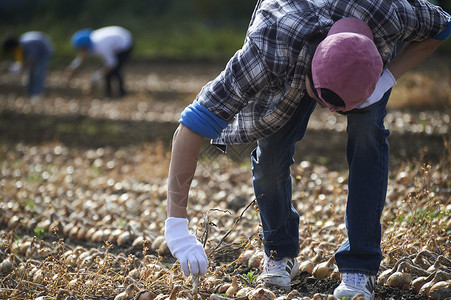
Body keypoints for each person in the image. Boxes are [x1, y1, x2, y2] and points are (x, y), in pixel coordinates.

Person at [163, 1, 451, 299]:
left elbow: (443, 25)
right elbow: (190, 126)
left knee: (368, 134)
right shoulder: (269, 48)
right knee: (271, 157)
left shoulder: (390, 13)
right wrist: (177, 226)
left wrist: (385, 80)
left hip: (367, 55)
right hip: (291, 41)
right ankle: (279, 251)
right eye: (325, 102)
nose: (330, 113)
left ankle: (360, 267)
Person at [67, 26, 133, 98]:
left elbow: (112, 63)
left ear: (85, 46)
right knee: (108, 71)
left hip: (125, 43)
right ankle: (109, 93)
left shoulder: (101, 47)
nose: (81, 51)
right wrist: (73, 67)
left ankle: (121, 93)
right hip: (117, 38)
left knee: (114, 70)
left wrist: (95, 78)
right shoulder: (91, 41)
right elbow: (83, 55)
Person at [1, 31, 53, 99]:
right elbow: (20, 64)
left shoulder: (28, 44)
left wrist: (21, 67)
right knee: (30, 73)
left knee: (38, 73)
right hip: (34, 54)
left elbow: (33, 61)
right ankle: (31, 94)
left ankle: (37, 94)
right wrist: (13, 68)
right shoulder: (19, 48)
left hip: (43, 52)